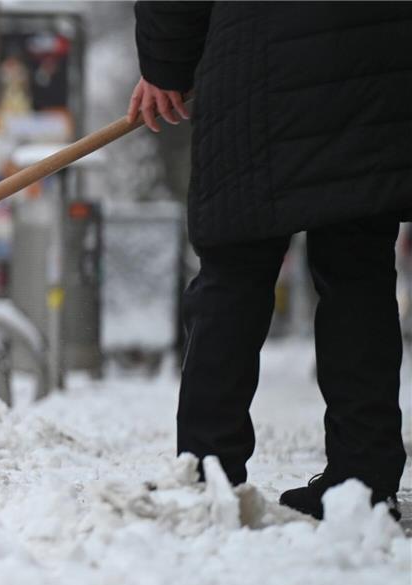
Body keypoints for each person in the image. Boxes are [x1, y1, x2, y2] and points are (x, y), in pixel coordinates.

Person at [128, 1, 412, 520]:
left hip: (256, 60)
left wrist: (165, 65)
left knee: (233, 269)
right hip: (379, 63)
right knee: (359, 272)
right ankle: (364, 481)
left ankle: (206, 471)